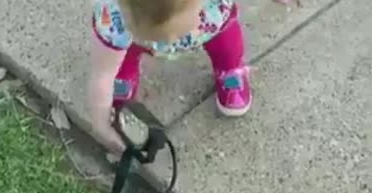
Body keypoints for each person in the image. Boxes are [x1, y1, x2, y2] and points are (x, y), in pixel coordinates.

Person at [87, 0, 292, 154]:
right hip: (132, 32)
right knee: (122, 52)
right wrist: (100, 122)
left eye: (175, 32)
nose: (169, 42)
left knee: (225, 41)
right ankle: (125, 73)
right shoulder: (114, 17)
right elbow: (102, 74)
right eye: (161, 35)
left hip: (210, 21)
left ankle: (229, 69)